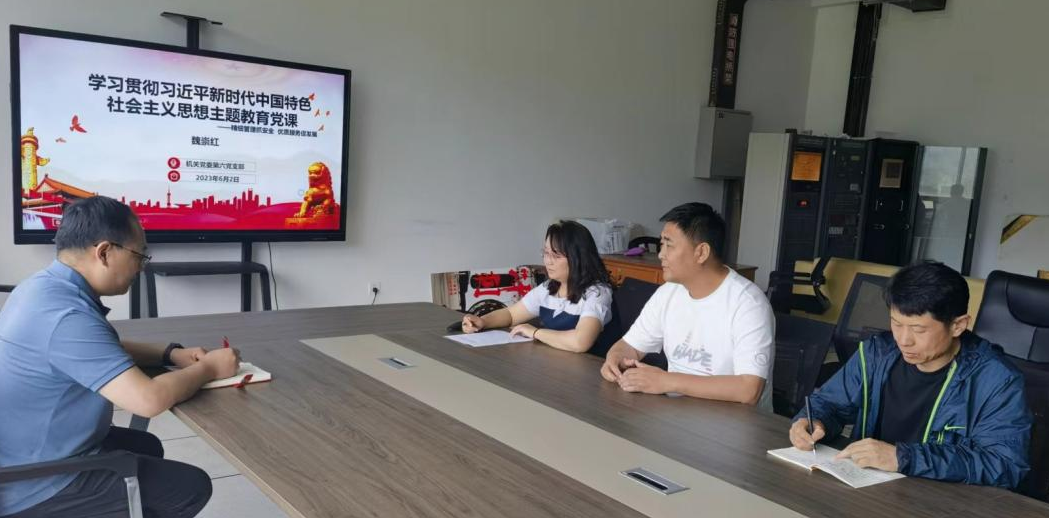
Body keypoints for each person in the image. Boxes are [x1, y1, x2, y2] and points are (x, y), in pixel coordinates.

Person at [0, 196, 241, 517]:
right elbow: (148, 400)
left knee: (146, 446)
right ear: (104, 252)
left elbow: (97, 349)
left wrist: (170, 353)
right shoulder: (66, 317)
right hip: (37, 482)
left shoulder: (41, 288)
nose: (141, 267)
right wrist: (209, 368)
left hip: (24, 453)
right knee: (190, 487)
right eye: (139, 255)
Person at [788, 262, 1031, 488]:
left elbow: (1004, 464)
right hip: (864, 489)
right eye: (896, 323)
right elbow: (829, 403)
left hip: (937, 500)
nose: (903, 340)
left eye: (918, 329)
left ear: (958, 325)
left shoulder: (997, 380)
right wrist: (813, 421)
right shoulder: (877, 354)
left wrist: (904, 457)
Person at [599, 202, 775, 410]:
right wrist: (615, 359)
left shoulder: (749, 304)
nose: (661, 254)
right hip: (676, 414)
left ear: (701, 252)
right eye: (661, 245)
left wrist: (667, 381)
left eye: (669, 245)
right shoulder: (669, 292)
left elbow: (749, 390)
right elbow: (630, 346)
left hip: (735, 421)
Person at [461, 220, 618, 356]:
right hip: (555, 363)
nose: (548, 261)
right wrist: (483, 321)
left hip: (591, 371)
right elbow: (511, 314)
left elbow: (580, 342)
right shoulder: (549, 288)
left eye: (556, 256)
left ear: (578, 258)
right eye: (546, 253)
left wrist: (535, 332)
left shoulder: (597, 293)